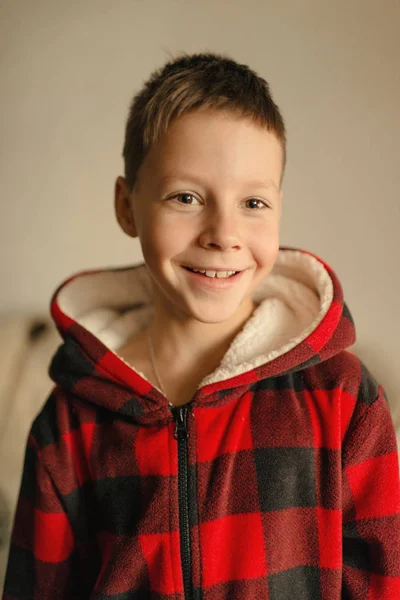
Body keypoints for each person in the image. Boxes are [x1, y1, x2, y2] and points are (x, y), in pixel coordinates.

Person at [3, 52, 400, 600]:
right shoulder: (68, 422)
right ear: (127, 206)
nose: (223, 233)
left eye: (253, 202)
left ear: (279, 209)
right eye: (186, 197)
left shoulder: (343, 398)